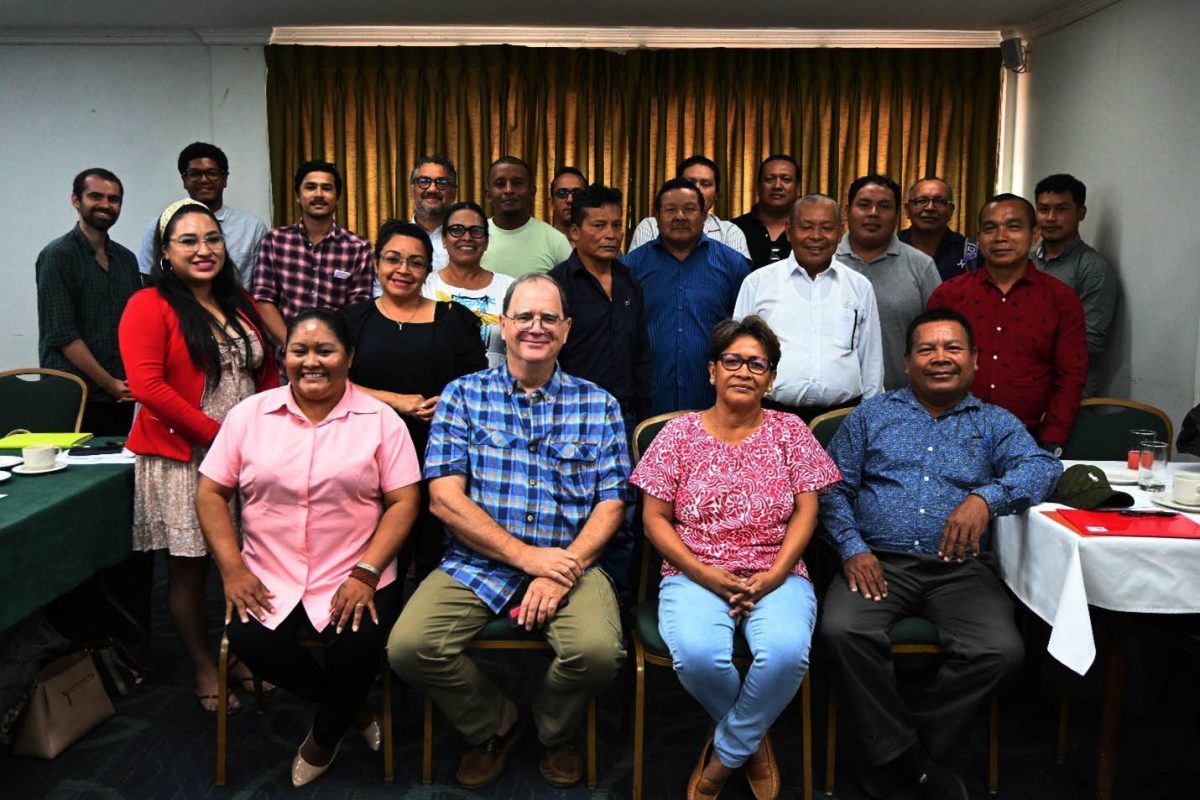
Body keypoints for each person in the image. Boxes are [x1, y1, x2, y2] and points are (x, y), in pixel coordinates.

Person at [388, 274, 631, 790]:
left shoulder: (601, 405)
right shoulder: (462, 396)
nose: (535, 327)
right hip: (477, 563)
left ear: (567, 329)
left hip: (572, 563)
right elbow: (444, 499)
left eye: (548, 318)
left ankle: (550, 728)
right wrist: (528, 560)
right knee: (409, 647)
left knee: (597, 653)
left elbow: (612, 505)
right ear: (503, 324)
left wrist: (559, 568)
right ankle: (496, 722)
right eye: (524, 316)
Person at [818, 308, 1062, 799]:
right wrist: (851, 548)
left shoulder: (995, 423)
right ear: (907, 362)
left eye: (952, 348)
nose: (940, 358)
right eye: (927, 349)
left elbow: (1042, 468)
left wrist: (984, 499)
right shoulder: (872, 415)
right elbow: (830, 487)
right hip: (876, 562)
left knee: (1000, 650)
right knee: (842, 630)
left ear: (974, 360)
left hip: (961, 570)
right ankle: (919, 759)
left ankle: (905, 750)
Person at [196, 308, 421, 787]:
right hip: (268, 570)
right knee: (251, 639)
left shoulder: (380, 420)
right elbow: (211, 493)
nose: (312, 361)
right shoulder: (249, 416)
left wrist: (365, 572)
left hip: (356, 568)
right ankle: (351, 708)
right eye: (300, 351)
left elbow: (404, 501)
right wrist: (232, 569)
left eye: (326, 350)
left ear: (349, 357)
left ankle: (323, 736)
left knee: (357, 642)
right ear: (284, 356)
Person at [631, 316, 840, 800]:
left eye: (757, 364)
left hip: (778, 569)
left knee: (786, 653)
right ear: (712, 371)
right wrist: (703, 573)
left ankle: (724, 756)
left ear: (770, 378)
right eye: (732, 360)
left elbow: (808, 510)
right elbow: (654, 520)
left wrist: (776, 574)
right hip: (694, 570)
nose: (744, 371)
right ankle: (752, 740)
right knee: (700, 658)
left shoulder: (791, 432)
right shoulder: (677, 435)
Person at [119, 198, 277, 713]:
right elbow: (148, 386)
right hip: (184, 454)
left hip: (248, 452)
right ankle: (205, 666)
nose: (204, 250)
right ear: (165, 253)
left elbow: (266, 369)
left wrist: (275, 426)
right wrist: (219, 436)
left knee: (249, 558)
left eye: (212, 238)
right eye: (188, 241)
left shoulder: (239, 299)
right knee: (189, 568)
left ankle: (242, 653)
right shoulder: (148, 304)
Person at [342, 219, 487, 578]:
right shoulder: (352, 320)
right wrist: (396, 401)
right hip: (367, 454)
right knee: (376, 556)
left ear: (428, 269)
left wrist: (451, 403)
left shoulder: (455, 319)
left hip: (440, 455)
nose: (403, 270)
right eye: (393, 259)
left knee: (433, 557)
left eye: (415, 262)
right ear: (376, 263)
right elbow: (332, 386)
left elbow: (480, 386)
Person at [927, 194, 1087, 453]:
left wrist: (1052, 440)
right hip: (950, 436)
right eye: (990, 228)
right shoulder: (949, 295)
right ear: (979, 237)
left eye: (1013, 227)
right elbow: (926, 367)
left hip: (1028, 440)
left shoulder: (1061, 299)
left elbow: (1071, 376)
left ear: (1034, 234)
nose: (1001, 237)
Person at [734, 194, 884, 423]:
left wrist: (871, 421)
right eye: (806, 227)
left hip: (843, 419)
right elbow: (738, 355)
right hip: (770, 417)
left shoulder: (859, 286)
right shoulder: (757, 283)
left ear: (840, 231)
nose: (816, 236)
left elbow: (871, 361)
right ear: (788, 231)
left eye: (826, 228)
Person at [626, 178, 750, 414]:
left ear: (704, 215)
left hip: (714, 401)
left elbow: (744, 334)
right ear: (657, 216)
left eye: (690, 209)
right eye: (670, 209)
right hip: (649, 400)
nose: (680, 216)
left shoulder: (733, 265)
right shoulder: (632, 267)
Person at [36, 167, 142, 436]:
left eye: (113, 199)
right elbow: (63, 335)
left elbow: (135, 326)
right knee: (71, 475)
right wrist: (109, 383)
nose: (105, 205)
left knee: (114, 470)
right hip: (72, 394)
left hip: (119, 394)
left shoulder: (126, 260)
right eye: (96, 196)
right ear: (76, 200)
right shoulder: (57, 256)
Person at [548, 183, 651, 431]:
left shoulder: (629, 282)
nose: (611, 234)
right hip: (570, 417)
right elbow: (545, 355)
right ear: (574, 232)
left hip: (624, 419)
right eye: (599, 226)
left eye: (616, 225)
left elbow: (640, 355)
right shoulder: (556, 285)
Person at [251, 160, 375, 346]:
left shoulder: (357, 248)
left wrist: (330, 348)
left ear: (337, 198)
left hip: (336, 356)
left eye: (326, 188)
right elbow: (263, 299)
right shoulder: (275, 241)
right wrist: (294, 346)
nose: (318, 194)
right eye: (310, 187)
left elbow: (358, 308)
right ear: (298, 196)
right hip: (286, 357)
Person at [837, 174, 941, 391]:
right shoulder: (826, 263)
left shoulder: (921, 266)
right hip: (835, 400)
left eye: (884, 206)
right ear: (847, 212)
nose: (873, 213)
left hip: (902, 398)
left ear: (897, 214)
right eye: (864, 205)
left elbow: (938, 336)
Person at [136, 142, 269, 288]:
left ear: (225, 179)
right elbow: (149, 280)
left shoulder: (252, 227)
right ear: (184, 181)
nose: (204, 180)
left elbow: (262, 286)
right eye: (195, 174)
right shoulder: (159, 225)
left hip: (234, 307)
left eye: (212, 173)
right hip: (174, 307)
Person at [1032, 173, 1117, 396]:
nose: (1050, 218)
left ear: (1081, 213)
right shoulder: (1025, 261)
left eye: (1061, 209)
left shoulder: (1093, 268)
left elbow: (1089, 344)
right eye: (1043, 209)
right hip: (1022, 387)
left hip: (1068, 394)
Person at [422, 201, 515, 367]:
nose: (466, 237)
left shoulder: (510, 288)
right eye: (456, 230)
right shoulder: (424, 286)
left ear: (486, 242)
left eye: (476, 231)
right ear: (444, 239)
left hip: (494, 389)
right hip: (437, 390)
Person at [630, 155, 751, 259]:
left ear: (716, 195)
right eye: (690, 183)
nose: (697, 189)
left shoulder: (729, 232)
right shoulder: (650, 226)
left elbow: (741, 280)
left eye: (706, 184)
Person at [479, 156, 573, 278]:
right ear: (488, 195)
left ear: (532, 192)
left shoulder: (555, 241)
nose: (508, 190)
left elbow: (573, 291)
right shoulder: (474, 238)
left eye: (517, 183)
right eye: (500, 184)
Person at [898, 177, 976, 282]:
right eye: (921, 201)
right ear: (907, 210)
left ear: (951, 210)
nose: (930, 208)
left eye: (939, 201)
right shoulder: (891, 247)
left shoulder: (970, 253)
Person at [732, 155, 800, 268]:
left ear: (797, 187)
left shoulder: (809, 230)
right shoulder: (733, 229)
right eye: (769, 179)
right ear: (758, 186)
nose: (777, 186)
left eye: (786, 180)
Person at [408, 155, 459, 271]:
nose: (432, 189)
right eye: (424, 181)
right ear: (411, 191)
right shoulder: (397, 240)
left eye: (442, 182)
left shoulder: (465, 241)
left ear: (454, 193)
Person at [549, 166, 587, 236]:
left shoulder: (598, 243)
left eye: (577, 193)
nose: (570, 200)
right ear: (552, 203)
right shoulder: (540, 243)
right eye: (562, 193)